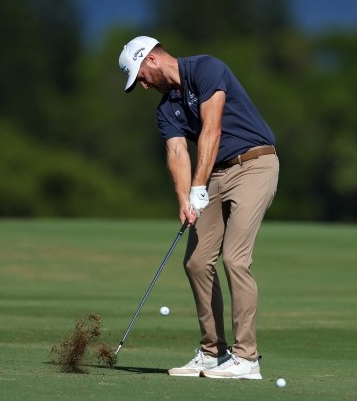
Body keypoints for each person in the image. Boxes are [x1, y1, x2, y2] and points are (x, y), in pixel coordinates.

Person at [118, 36, 279, 380]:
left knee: (236, 258)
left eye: (141, 77)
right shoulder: (165, 110)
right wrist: (185, 201)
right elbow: (177, 153)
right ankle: (213, 352)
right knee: (195, 261)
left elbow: (212, 129)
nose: (143, 86)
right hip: (216, 173)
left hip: (255, 163)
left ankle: (247, 358)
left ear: (151, 60)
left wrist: (197, 187)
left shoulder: (207, 68)